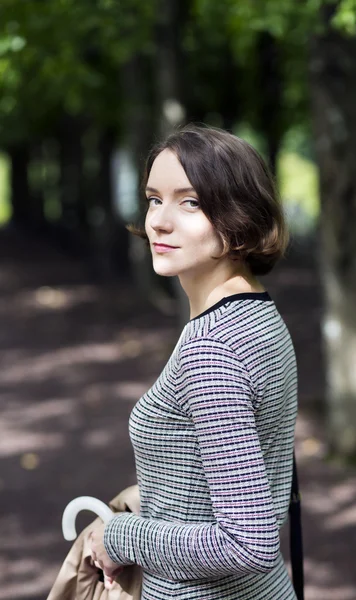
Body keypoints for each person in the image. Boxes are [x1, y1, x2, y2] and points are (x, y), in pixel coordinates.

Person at [89, 124, 299, 599]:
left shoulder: (212, 350)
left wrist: (118, 536)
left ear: (241, 217)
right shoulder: (258, 313)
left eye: (191, 202)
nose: (159, 221)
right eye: (153, 199)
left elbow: (247, 543)